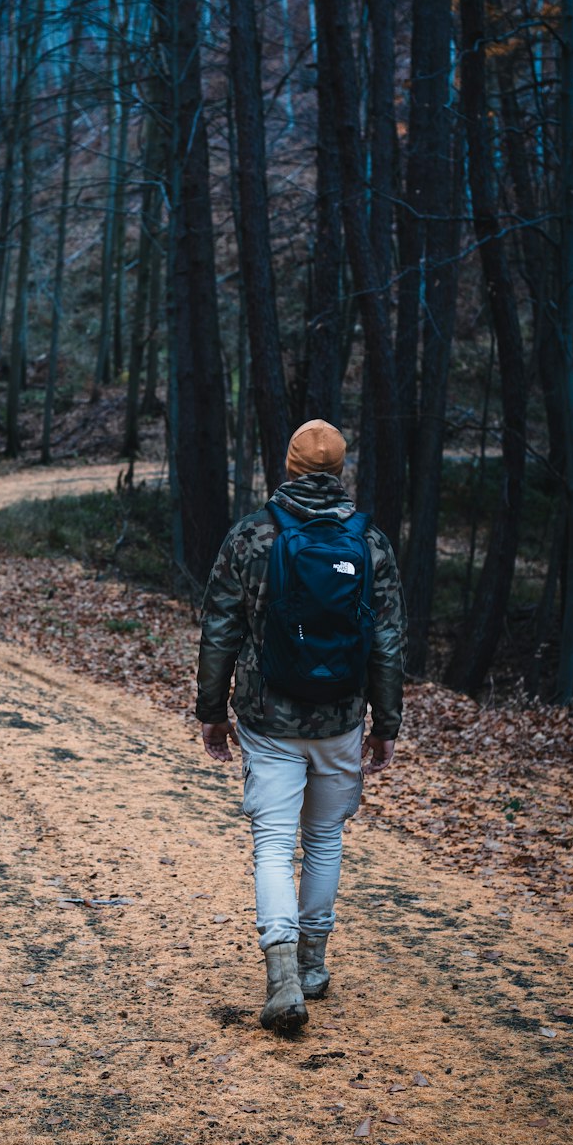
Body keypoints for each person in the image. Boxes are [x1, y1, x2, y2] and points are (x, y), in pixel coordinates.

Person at [195, 419, 406, 1033]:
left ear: (287, 468)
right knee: (325, 840)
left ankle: (281, 973)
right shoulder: (371, 544)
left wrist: (212, 711)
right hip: (342, 715)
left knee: (272, 843)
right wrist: (385, 722)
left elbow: (220, 631)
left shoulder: (251, 536)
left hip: (268, 715)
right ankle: (312, 964)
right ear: (340, 472)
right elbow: (387, 642)